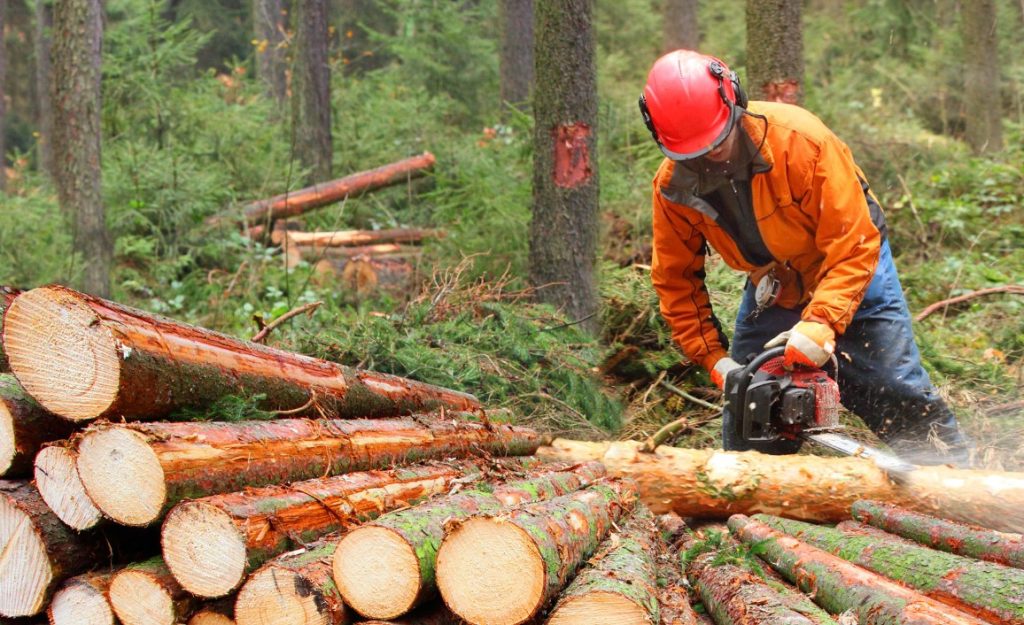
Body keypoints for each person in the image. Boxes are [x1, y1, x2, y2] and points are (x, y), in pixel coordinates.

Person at [638, 49, 972, 465]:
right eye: (695, 151)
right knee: (750, 403)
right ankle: (753, 512)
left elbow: (853, 243)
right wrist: (714, 358)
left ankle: (956, 478)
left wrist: (820, 325)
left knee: (894, 386)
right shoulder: (673, 187)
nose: (711, 155)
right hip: (775, 283)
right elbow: (675, 279)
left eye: (718, 140)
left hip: (850, 263)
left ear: (734, 98)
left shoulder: (801, 142)